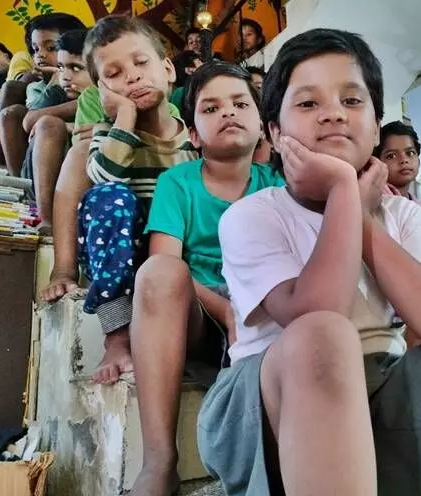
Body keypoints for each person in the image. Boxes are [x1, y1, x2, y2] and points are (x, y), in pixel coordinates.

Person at [197, 28, 421, 496]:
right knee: (325, 335)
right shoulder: (253, 215)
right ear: (274, 132)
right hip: (273, 405)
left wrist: (362, 213)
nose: (333, 113)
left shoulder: (402, 214)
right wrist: (345, 193)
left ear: (374, 127)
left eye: (352, 101)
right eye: (308, 104)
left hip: (382, 390)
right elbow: (317, 314)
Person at [125, 61, 284, 496]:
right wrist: (225, 309)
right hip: (199, 312)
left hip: (266, 312)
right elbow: (165, 261)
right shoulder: (177, 183)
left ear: (264, 125)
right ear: (193, 135)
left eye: (239, 103)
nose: (228, 113)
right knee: (158, 271)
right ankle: (159, 460)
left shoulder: (278, 186)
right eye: (211, 108)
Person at [41, 15, 199, 384]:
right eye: (113, 73)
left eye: (141, 63)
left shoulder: (194, 139)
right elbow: (105, 177)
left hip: (176, 260)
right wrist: (125, 117)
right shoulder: (106, 136)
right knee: (108, 198)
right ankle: (118, 335)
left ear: (168, 69)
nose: (132, 76)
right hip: (123, 256)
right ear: (100, 92)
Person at [18, 28, 91, 234]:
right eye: (60, 68)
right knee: (48, 124)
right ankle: (48, 220)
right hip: (51, 181)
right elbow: (29, 121)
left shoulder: (113, 98)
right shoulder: (61, 93)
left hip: (88, 182)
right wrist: (74, 106)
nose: (65, 76)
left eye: (76, 68)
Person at [0, 13, 87, 176]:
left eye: (51, 48)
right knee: (14, 114)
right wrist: (55, 84)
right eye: (35, 49)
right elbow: (32, 118)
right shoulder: (38, 87)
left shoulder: (95, 87)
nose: (40, 55)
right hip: (44, 157)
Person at [373, 120, 420, 199]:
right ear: (378, 162)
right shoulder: (373, 203)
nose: (404, 160)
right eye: (391, 156)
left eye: (410, 153)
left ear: (419, 161)